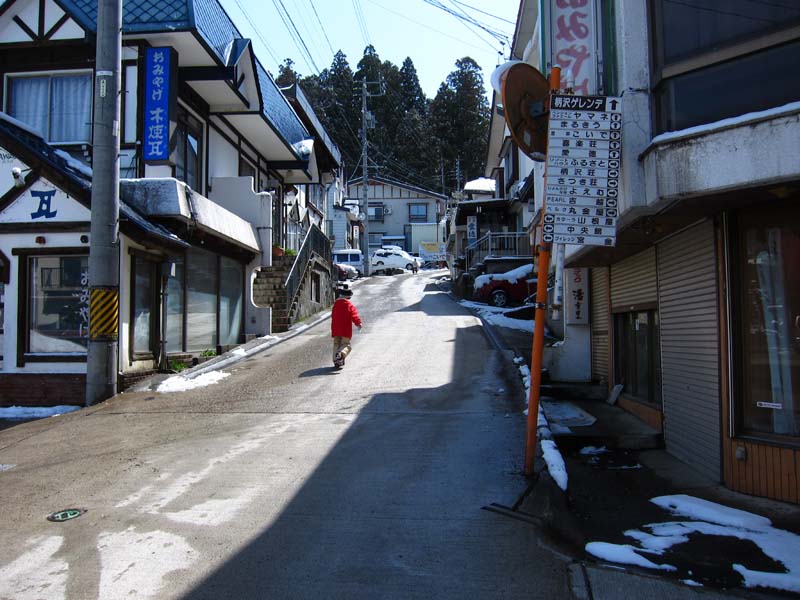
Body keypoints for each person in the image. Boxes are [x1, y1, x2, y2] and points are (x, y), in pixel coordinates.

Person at [331, 286, 362, 368]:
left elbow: (333, 316)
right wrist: (358, 323)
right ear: (348, 297)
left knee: (336, 344)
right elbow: (354, 315)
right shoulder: (349, 305)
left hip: (336, 329)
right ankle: (341, 354)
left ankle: (336, 361)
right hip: (345, 329)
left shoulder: (335, 305)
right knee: (346, 345)